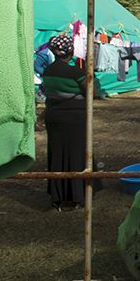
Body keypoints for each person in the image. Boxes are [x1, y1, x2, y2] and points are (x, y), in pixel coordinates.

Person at [40, 34, 102, 211]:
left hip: (54, 117)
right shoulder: (76, 72)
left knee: (57, 154)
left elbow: (50, 97)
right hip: (75, 119)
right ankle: (76, 195)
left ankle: (57, 195)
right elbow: (94, 92)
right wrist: (92, 78)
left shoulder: (48, 71)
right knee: (77, 155)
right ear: (71, 51)